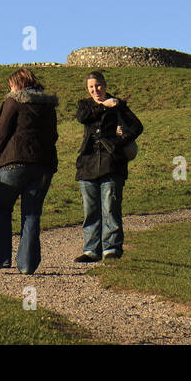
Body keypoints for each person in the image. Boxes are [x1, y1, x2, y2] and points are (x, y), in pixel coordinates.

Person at [0, 67, 58, 274]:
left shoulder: (14, 101)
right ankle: (27, 264)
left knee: (3, 209)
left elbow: (1, 133)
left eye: (11, 85)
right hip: (43, 165)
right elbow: (53, 136)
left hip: (13, 162)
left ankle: (1, 258)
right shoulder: (48, 106)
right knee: (32, 213)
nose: (10, 89)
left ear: (18, 84)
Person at [73, 71, 143, 263]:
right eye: (91, 87)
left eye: (98, 86)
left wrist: (118, 142)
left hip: (112, 163)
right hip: (87, 164)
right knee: (90, 209)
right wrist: (104, 106)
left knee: (110, 207)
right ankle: (91, 250)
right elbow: (83, 117)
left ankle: (111, 248)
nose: (95, 90)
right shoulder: (85, 106)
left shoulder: (119, 105)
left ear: (105, 84)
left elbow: (137, 127)